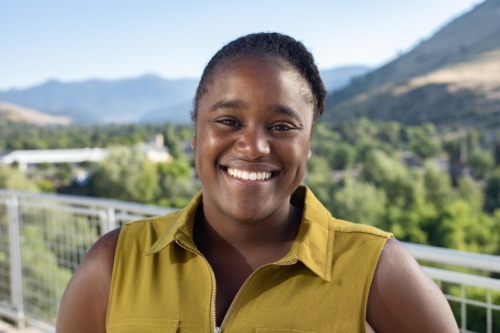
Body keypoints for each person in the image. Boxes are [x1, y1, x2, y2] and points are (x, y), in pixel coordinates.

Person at [56, 32, 459, 333]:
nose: (253, 147)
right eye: (229, 121)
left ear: (308, 145)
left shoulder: (374, 268)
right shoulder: (115, 262)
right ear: (196, 133)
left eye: (282, 126)